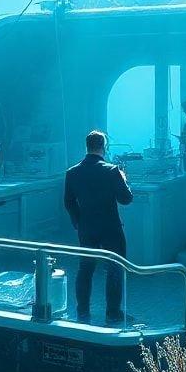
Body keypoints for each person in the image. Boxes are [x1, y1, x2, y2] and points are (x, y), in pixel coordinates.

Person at [63, 130, 134, 324]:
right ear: (104, 146)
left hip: (86, 226)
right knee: (115, 268)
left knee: (85, 269)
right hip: (111, 226)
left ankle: (83, 312)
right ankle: (112, 312)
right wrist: (124, 179)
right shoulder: (112, 170)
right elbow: (126, 199)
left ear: (87, 146)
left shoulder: (72, 172)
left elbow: (68, 202)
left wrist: (78, 222)